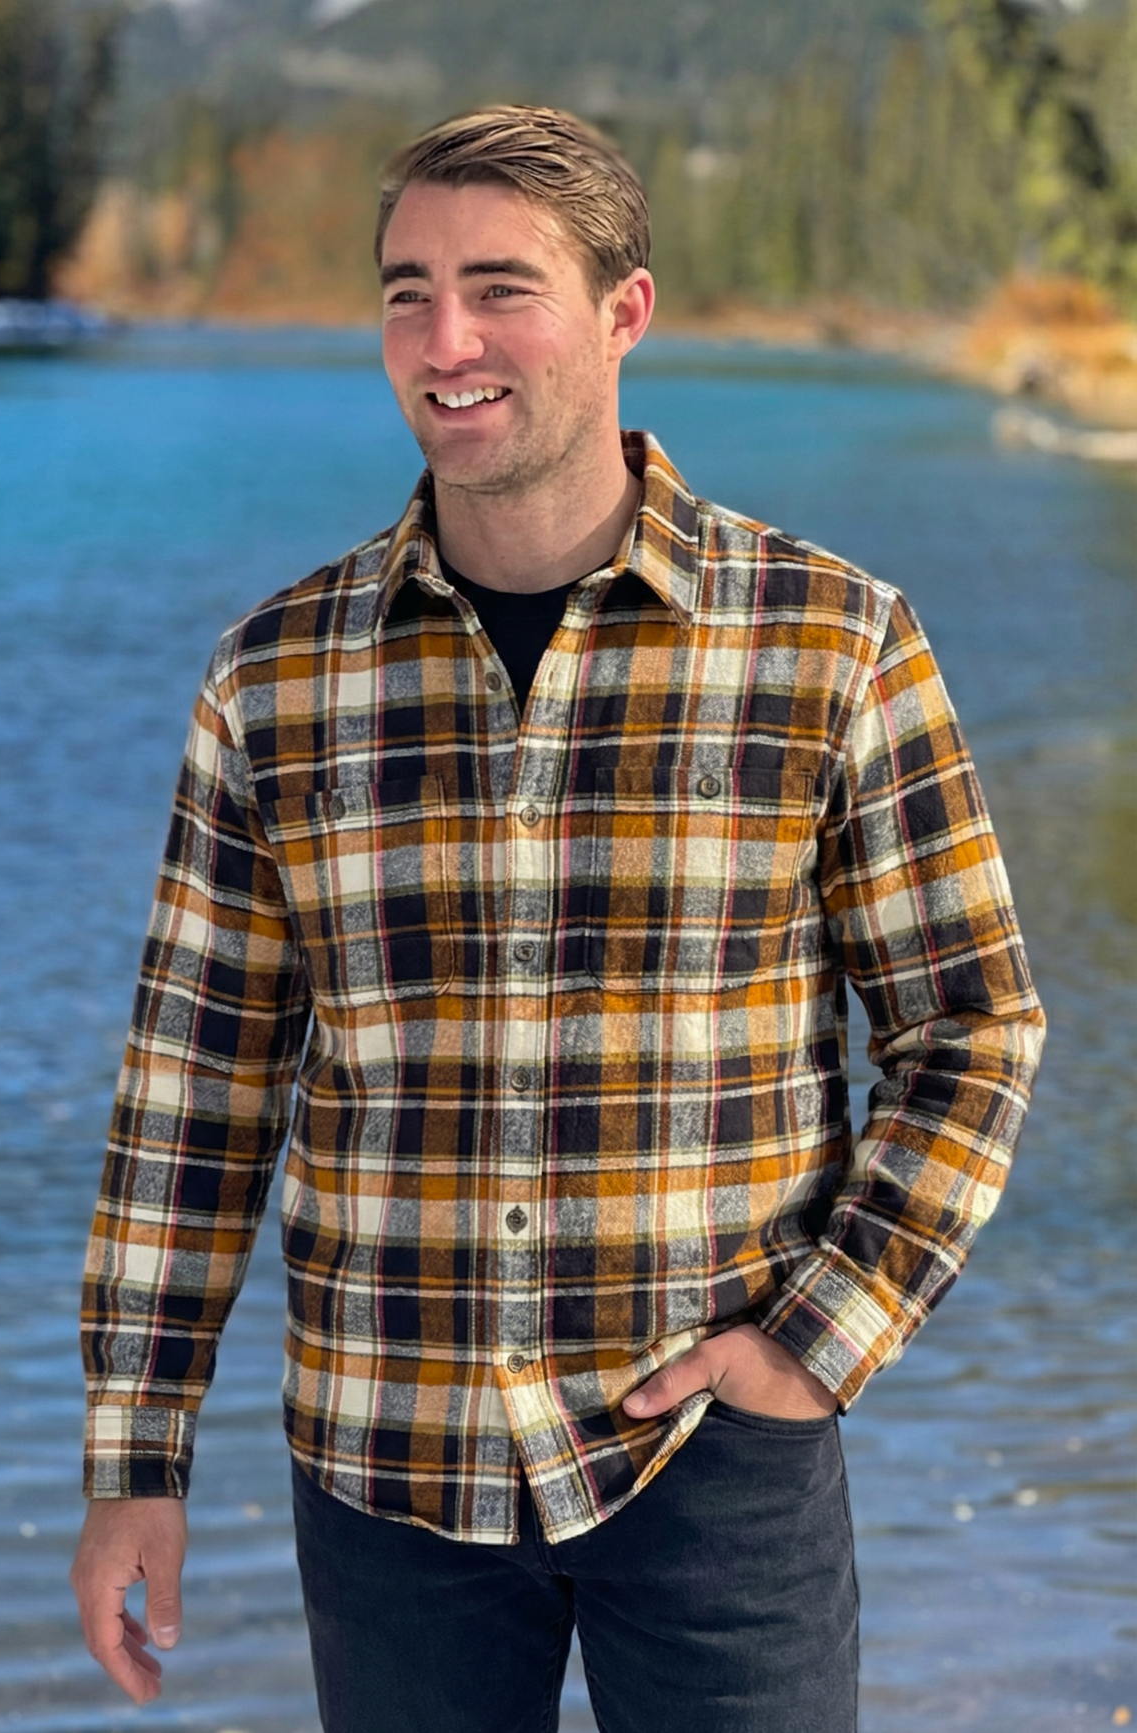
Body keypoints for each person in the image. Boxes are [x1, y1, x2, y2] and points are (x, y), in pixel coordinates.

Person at [71, 105, 1045, 1733]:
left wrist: (817, 1344)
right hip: (387, 1469)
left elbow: (974, 1027)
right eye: (408, 293)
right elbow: (198, 1091)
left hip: (718, 1461)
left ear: (623, 311)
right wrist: (135, 1459)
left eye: (501, 288)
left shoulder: (832, 643)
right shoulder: (277, 678)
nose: (445, 341)